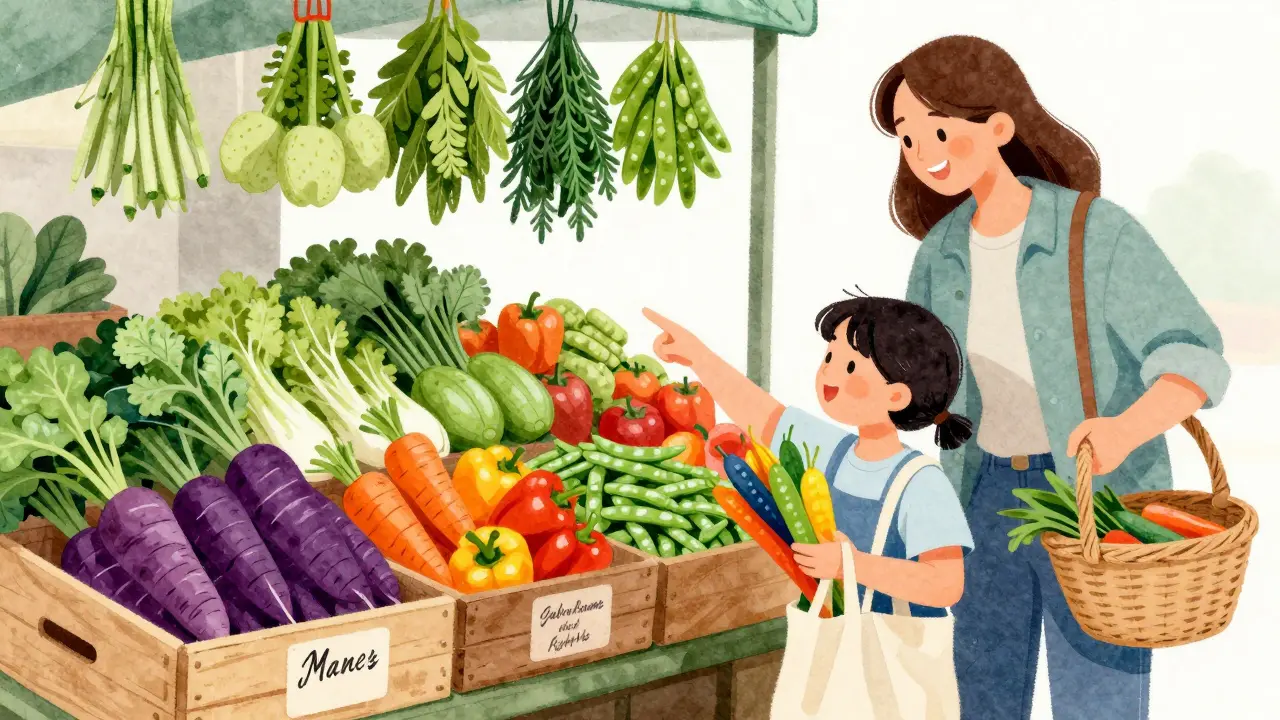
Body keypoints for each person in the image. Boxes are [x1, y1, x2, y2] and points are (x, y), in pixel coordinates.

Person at [870, 35, 1229, 720]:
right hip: (979, 494)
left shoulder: (1096, 233)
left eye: (936, 129)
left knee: (1101, 703)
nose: (922, 152)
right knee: (979, 700)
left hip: (1093, 505)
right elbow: (924, 390)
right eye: (908, 138)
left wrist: (1125, 430)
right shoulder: (939, 255)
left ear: (999, 126)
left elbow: (1194, 353)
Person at [644, 295, 973, 618]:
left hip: (895, 658)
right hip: (829, 642)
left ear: (896, 395)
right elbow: (763, 416)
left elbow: (946, 584)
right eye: (830, 357)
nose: (829, 375)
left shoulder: (923, 482)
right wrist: (696, 356)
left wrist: (850, 565)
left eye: (849, 366)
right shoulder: (834, 450)